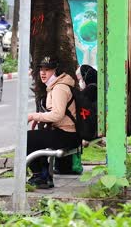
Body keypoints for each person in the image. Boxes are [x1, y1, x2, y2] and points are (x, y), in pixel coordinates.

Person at [26, 56, 81, 189]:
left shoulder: (59, 88)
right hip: (65, 132)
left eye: (48, 70)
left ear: (56, 71)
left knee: (27, 138)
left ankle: (41, 175)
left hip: (68, 135)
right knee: (34, 137)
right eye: (41, 69)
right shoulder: (55, 86)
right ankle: (43, 175)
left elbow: (57, 115)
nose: (43, 73)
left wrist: (33, 116)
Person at [54, 64, 98, 175]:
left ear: (85, 77)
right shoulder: (97, 88)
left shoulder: (89, 90)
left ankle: (66, 167)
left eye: (80, 79)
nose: (80, 82)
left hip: (87, 128)